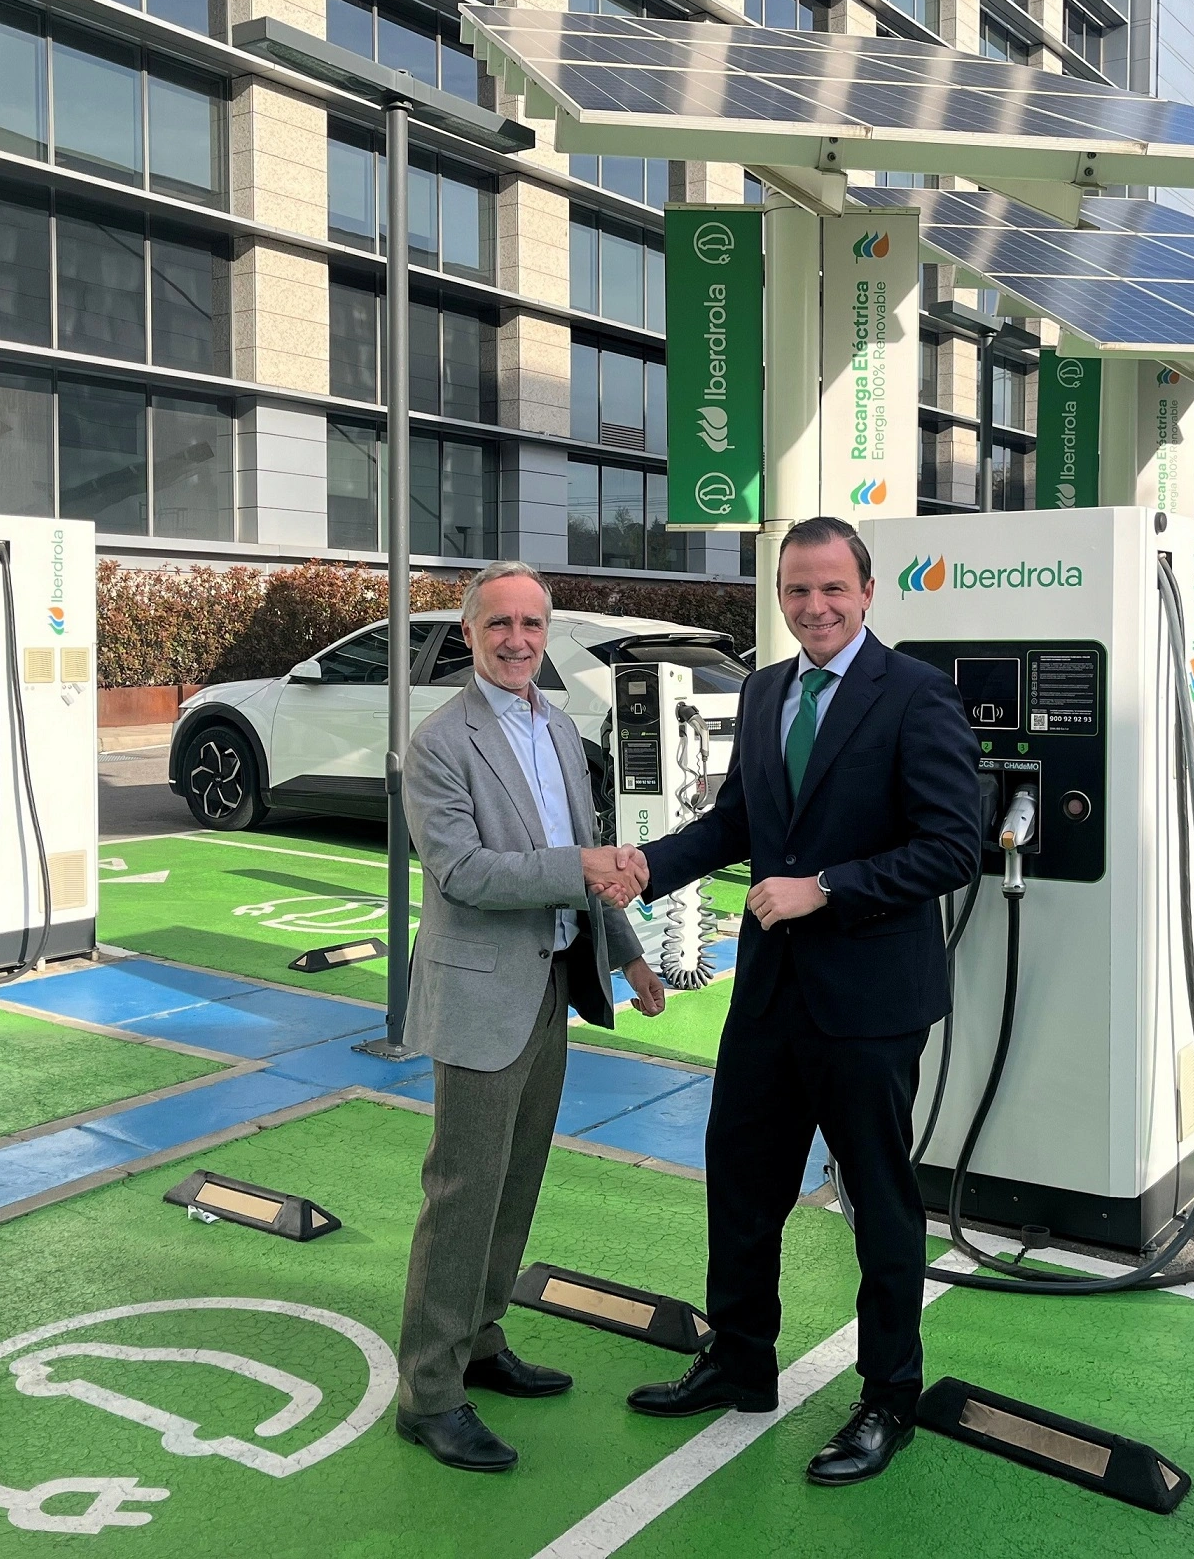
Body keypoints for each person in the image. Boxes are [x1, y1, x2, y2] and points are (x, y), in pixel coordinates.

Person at [609, 516, 980, 1485]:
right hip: (771, 991)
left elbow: (952, 846)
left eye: (831, 589)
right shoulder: (769, 688)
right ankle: (740, 1357)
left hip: (869, 1000)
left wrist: (828, 885)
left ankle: (888, 1394)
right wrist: (649, 864)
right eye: (796, 590)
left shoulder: (917, 697)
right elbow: (739, 820)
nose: (813, 606)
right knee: (740, 1178)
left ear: (867, 592)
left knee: (879, 1201)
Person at [394, 560, 669, 1474]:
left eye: (532, 624)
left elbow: (579, 852)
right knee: (463, 1191)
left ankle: (479, 1338)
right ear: (468, 635)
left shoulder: (555, 728)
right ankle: (429, 1394)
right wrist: (580, 872)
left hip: (552, 981)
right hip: (481, 991)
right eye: (498, 624)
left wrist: (626, 950)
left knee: (514, 1180)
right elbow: (463, 873)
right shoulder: (437, 742)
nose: (517, 640)